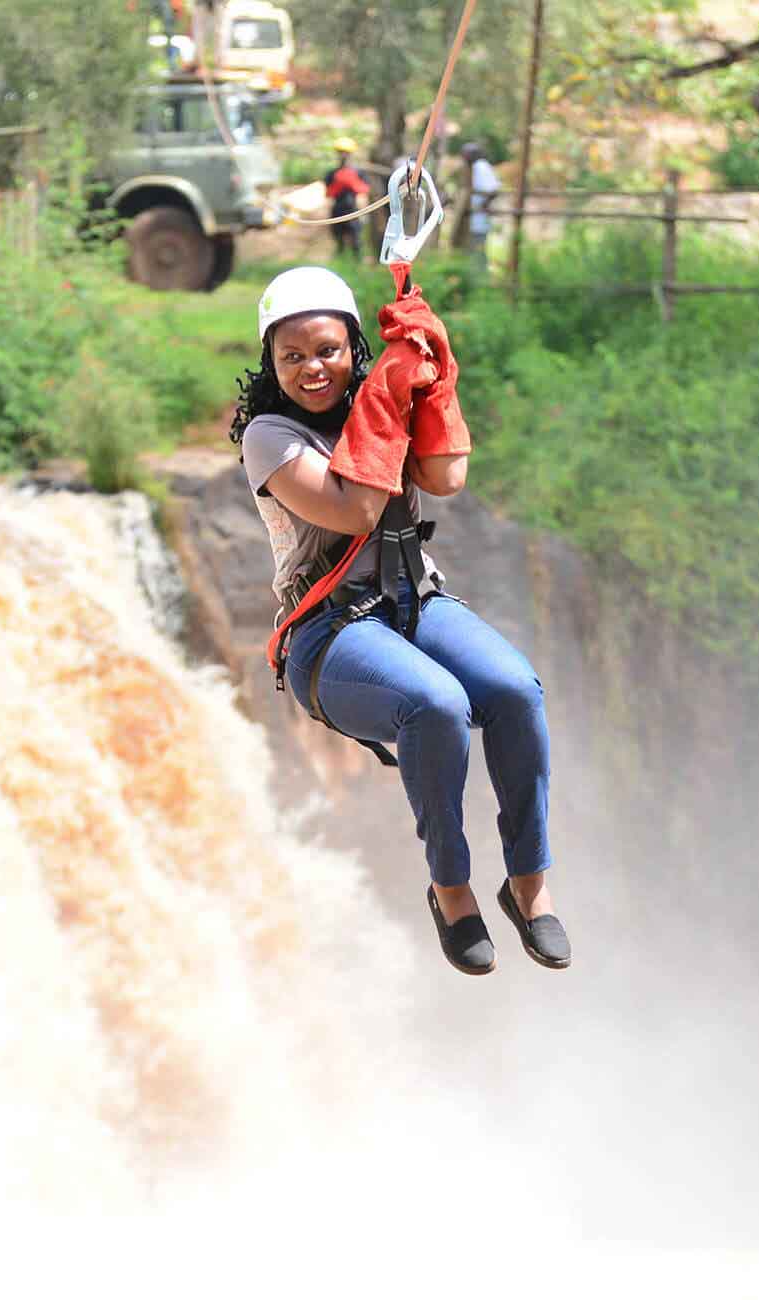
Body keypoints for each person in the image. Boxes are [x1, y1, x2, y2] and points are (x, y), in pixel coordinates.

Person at [229, 266, 570, 976]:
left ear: (354, 346)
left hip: (413, 601)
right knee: (437, 704)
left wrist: (435, 379)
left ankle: (528, 884)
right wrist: (386, 393)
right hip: (328, 634)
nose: (311, 369)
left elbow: (445, 478)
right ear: (272, 365)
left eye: (326, 350)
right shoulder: (269, 435)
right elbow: (353, 508)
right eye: (291, 357)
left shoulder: (383, 402)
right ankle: (452, 892)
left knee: (514, 691)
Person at [324, 138, 370, 259]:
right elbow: (328, 193)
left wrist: (352, 182)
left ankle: (357, 262)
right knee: (339, 239)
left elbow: (364, 190)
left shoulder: (358, 172)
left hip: (354, 209)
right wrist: (339, 183)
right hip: (338, 210)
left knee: (356, 240)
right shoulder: (332, 173)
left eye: (346, 152)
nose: (343, 155)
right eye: (340, 152)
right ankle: (341, 261)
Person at [460, 141, 501, 267]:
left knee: (478, 252)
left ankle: (480, 278)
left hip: (478, 219)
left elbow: (493, 190)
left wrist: (482, 206)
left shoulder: (480, 166)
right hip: (473, 219)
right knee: (472, 251)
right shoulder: (473, 168)